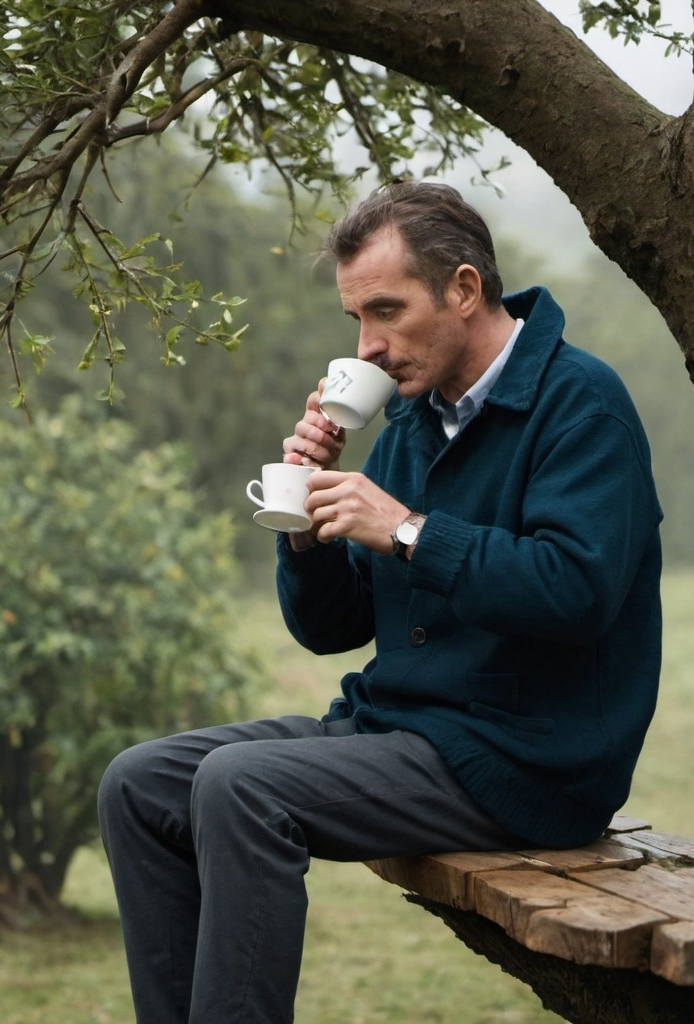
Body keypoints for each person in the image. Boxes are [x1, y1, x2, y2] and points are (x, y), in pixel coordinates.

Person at [97, 181, 663, 1024]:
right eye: (357, 320)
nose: (368, 347)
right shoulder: (412, 422)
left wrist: (404, 530)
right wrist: (303, 519)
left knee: (239, 786)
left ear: (464, 290)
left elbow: (575, 593)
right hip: (405, 732)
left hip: (528, 761)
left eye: (387, 312)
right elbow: (334, 630)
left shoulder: (580, 403)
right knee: (137, 784)